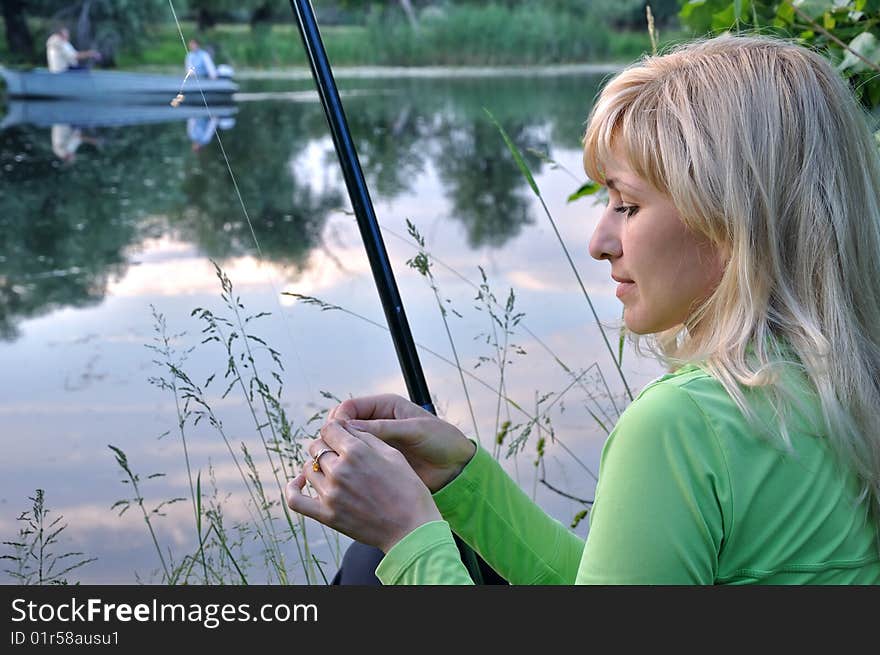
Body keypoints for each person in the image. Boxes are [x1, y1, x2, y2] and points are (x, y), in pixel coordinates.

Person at [286, 34, 880, 584]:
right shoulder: (841, 391)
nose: (598, 241)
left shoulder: (684, 425)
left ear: (731, 222)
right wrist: (460, 482)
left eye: (627, 205)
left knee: (372, 567)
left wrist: (407, 533)